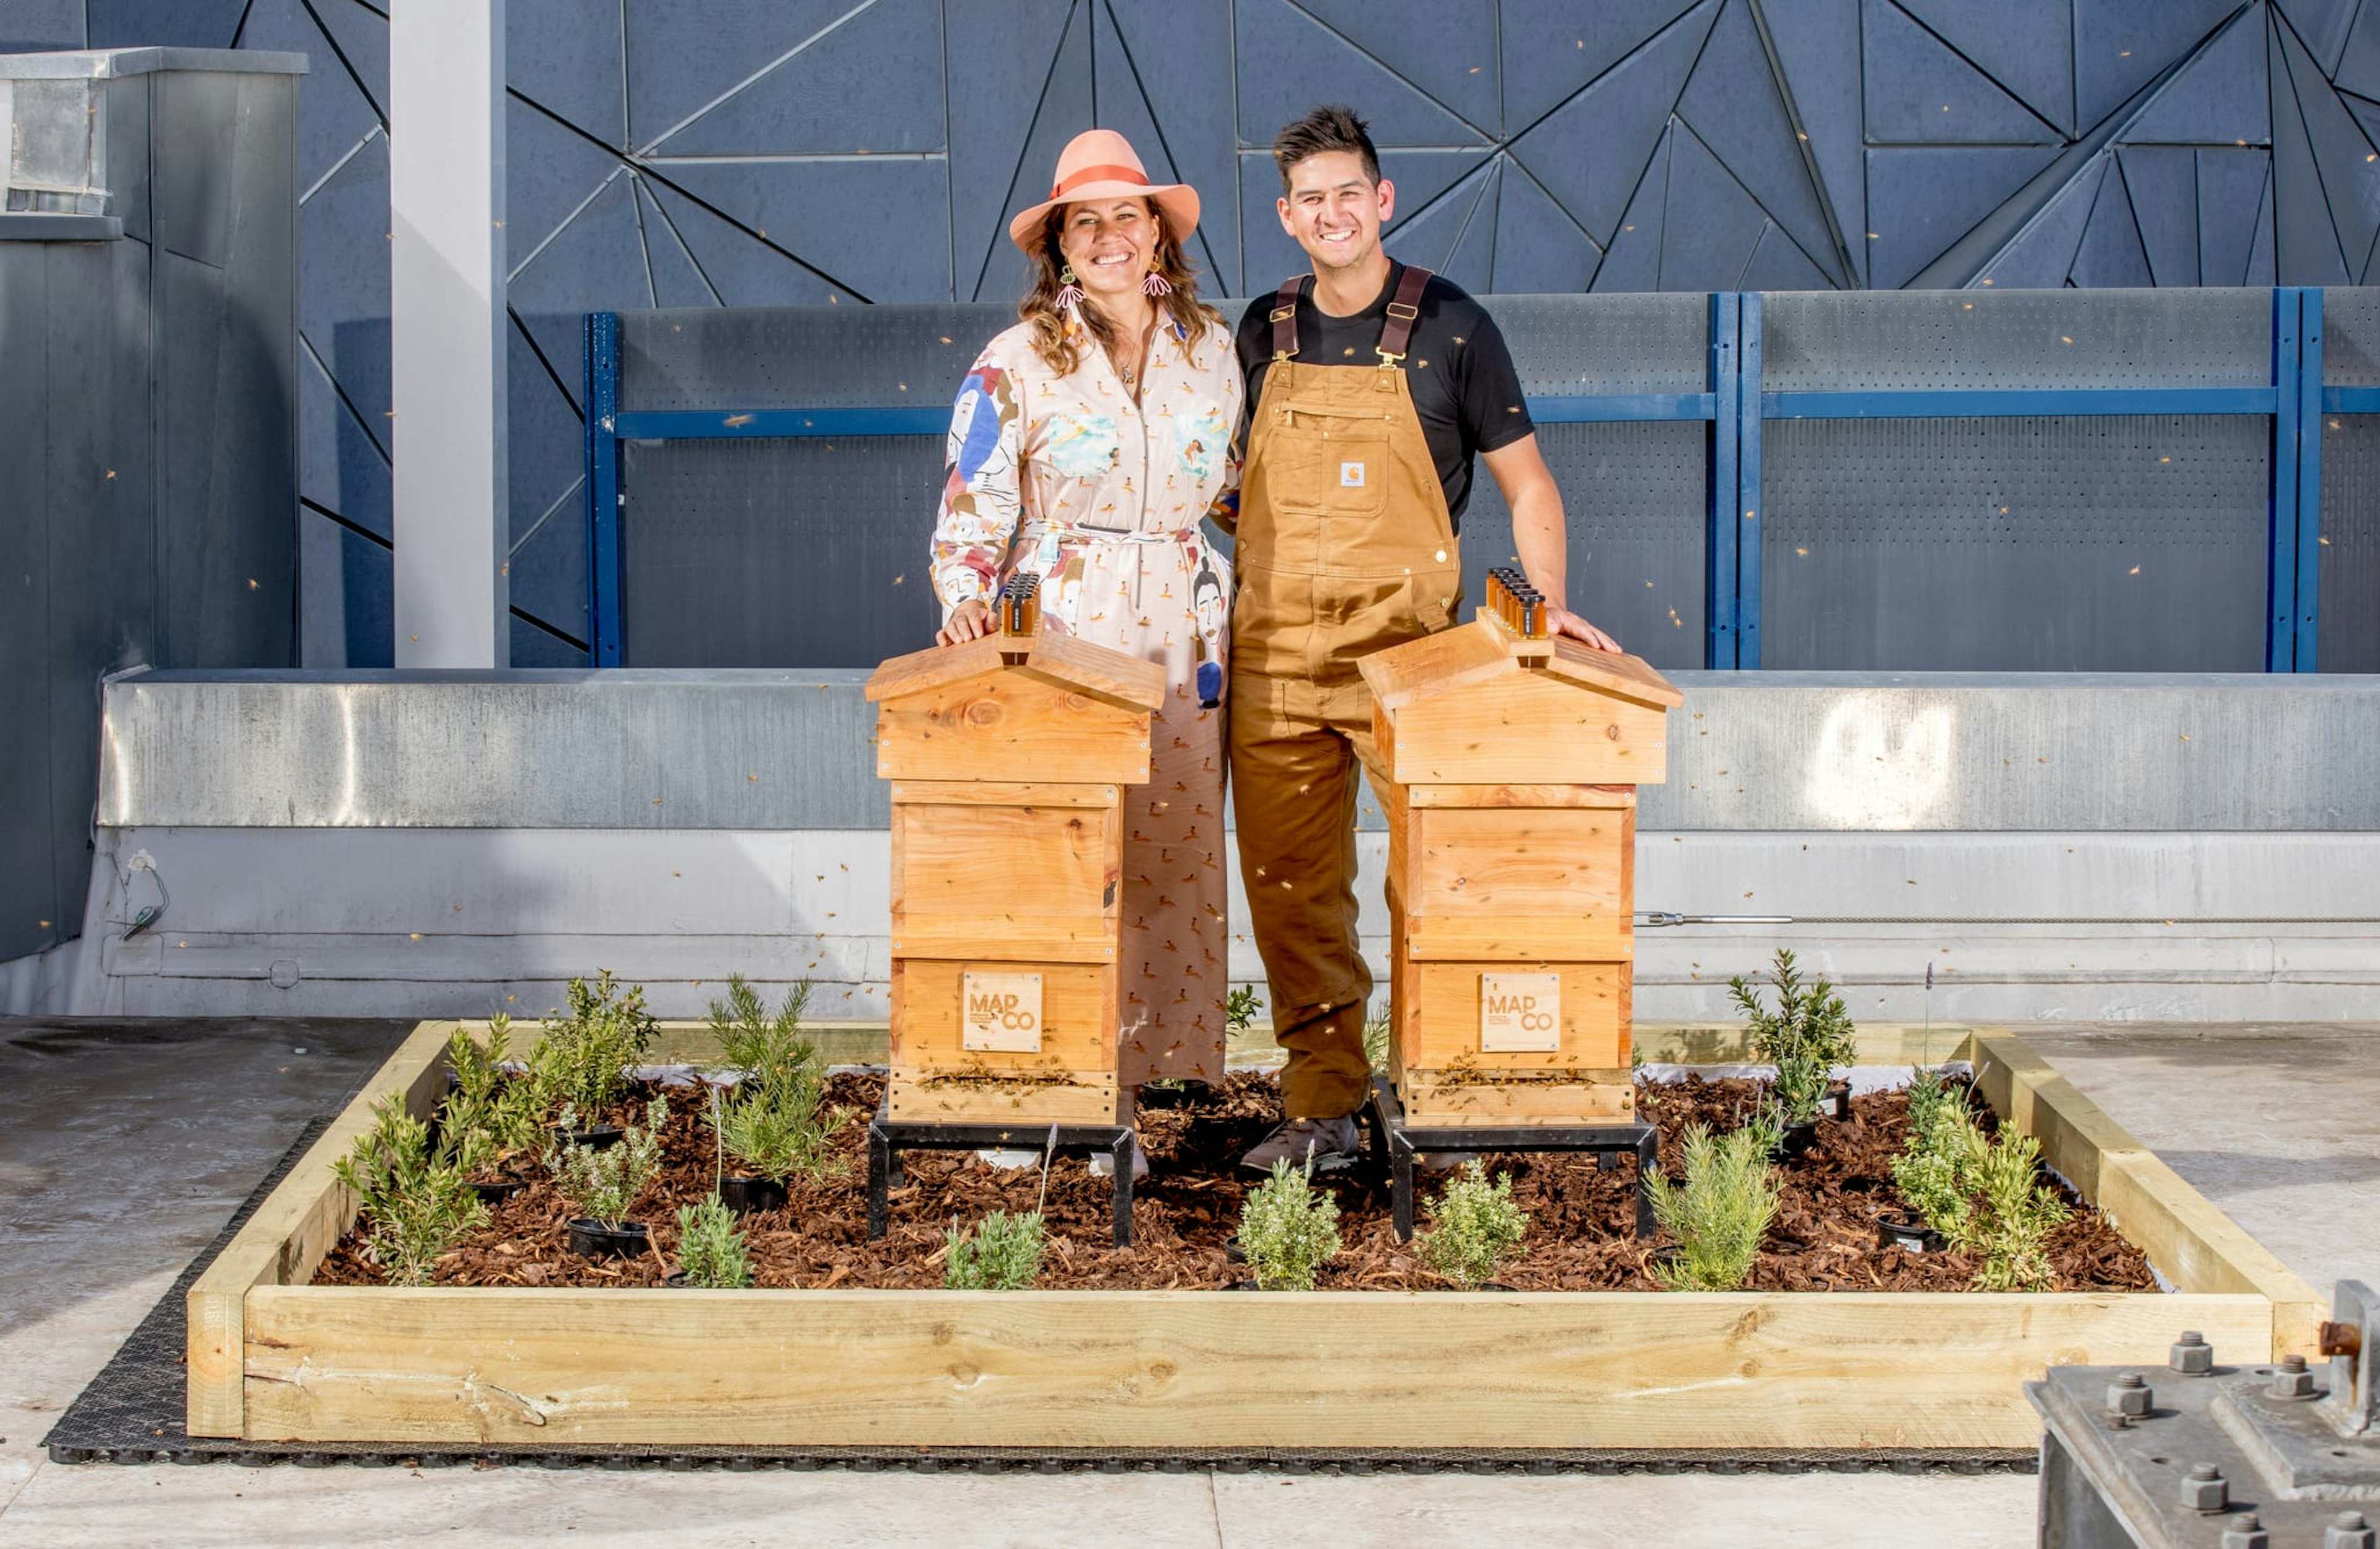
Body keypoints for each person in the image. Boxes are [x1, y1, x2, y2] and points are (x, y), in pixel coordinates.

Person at [1228, 105, 1623, 1172]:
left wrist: (1540, 610)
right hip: (1270, 661)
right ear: (1287, 216)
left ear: (1383, 199)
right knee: (1290, 889)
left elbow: (1529, 484)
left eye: (1348, 192)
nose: (1332, 212)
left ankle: (1444, 1091)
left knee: (1445, 880)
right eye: (1310, 198)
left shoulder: (1454, 326)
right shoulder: (1260, 330)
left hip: (1412, 660)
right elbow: (1229, 488)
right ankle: (1323, 1110)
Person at [928, 130, 1241, 1090]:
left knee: (1175, 844)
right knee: (1065, 845)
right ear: (1059, 245)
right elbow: (973, 494)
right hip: (1064, 620)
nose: (1110, 235)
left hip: (1188, 625)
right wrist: (970, 601)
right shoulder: (1015, 359)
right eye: (1086, 221)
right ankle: (1052, 1072)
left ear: (1159, 233)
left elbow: (1238, 490)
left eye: (1127, 215)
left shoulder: (1213, 350)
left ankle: (1153, 1075)